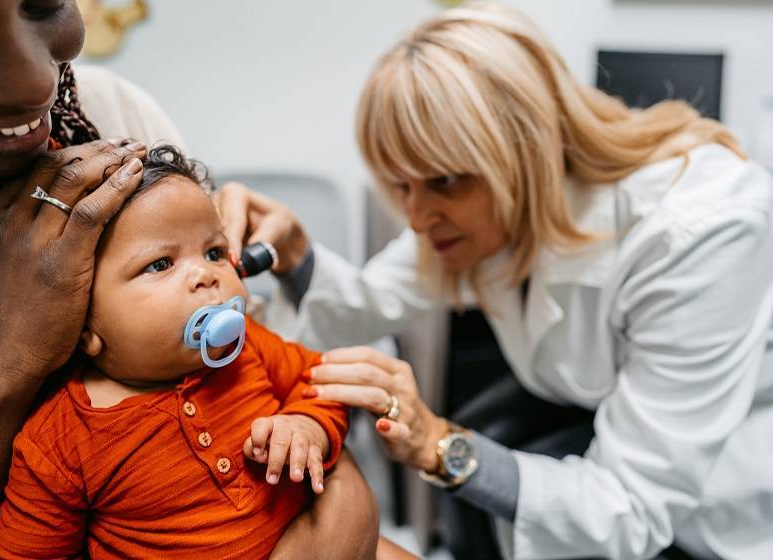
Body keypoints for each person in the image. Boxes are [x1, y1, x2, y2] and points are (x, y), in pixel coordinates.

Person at [218, 2, 773, 559]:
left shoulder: (699, 230)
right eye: (401, 185)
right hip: (595, 420)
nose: (416, 218)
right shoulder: (481, 206)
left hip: (714, 489)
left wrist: (437, 443)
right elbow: (367, 300)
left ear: (524, 154)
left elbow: (632, 505)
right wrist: (293, 256)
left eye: (443, 181)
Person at [0, 2, 377, 558]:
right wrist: (8, 352)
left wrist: (312, 437)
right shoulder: (64, 442)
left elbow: (316, 387)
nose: (32, 81)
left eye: (44, 3)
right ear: (83, 328)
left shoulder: (113, 115)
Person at [0, 145, 350, 559]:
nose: (206, 275)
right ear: (83, 322)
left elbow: (324, 381)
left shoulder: (249, 344)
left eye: (214, 253)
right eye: (161, 264)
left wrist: (308, 426)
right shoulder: (60, 442)